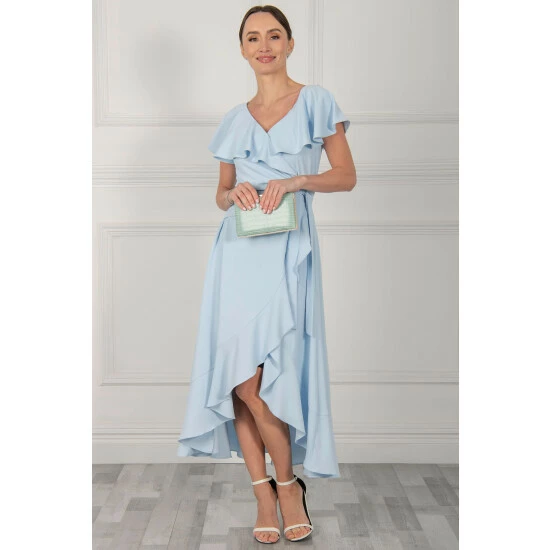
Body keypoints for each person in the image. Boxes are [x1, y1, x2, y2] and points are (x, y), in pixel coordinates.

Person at [177, 5, 356, 544]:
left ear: (290, 43)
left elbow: (345, 176)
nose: (264, 46)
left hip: (287, 251)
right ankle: (266, 492)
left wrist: (297, 181)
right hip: (237, 251)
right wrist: (233, 193)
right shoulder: (235, 119)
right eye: (253, 38)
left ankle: (288, 486)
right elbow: (220, 194)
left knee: (265, 376)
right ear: (241, 49)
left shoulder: (317, 101)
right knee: (240, 379)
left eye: (274, 35)